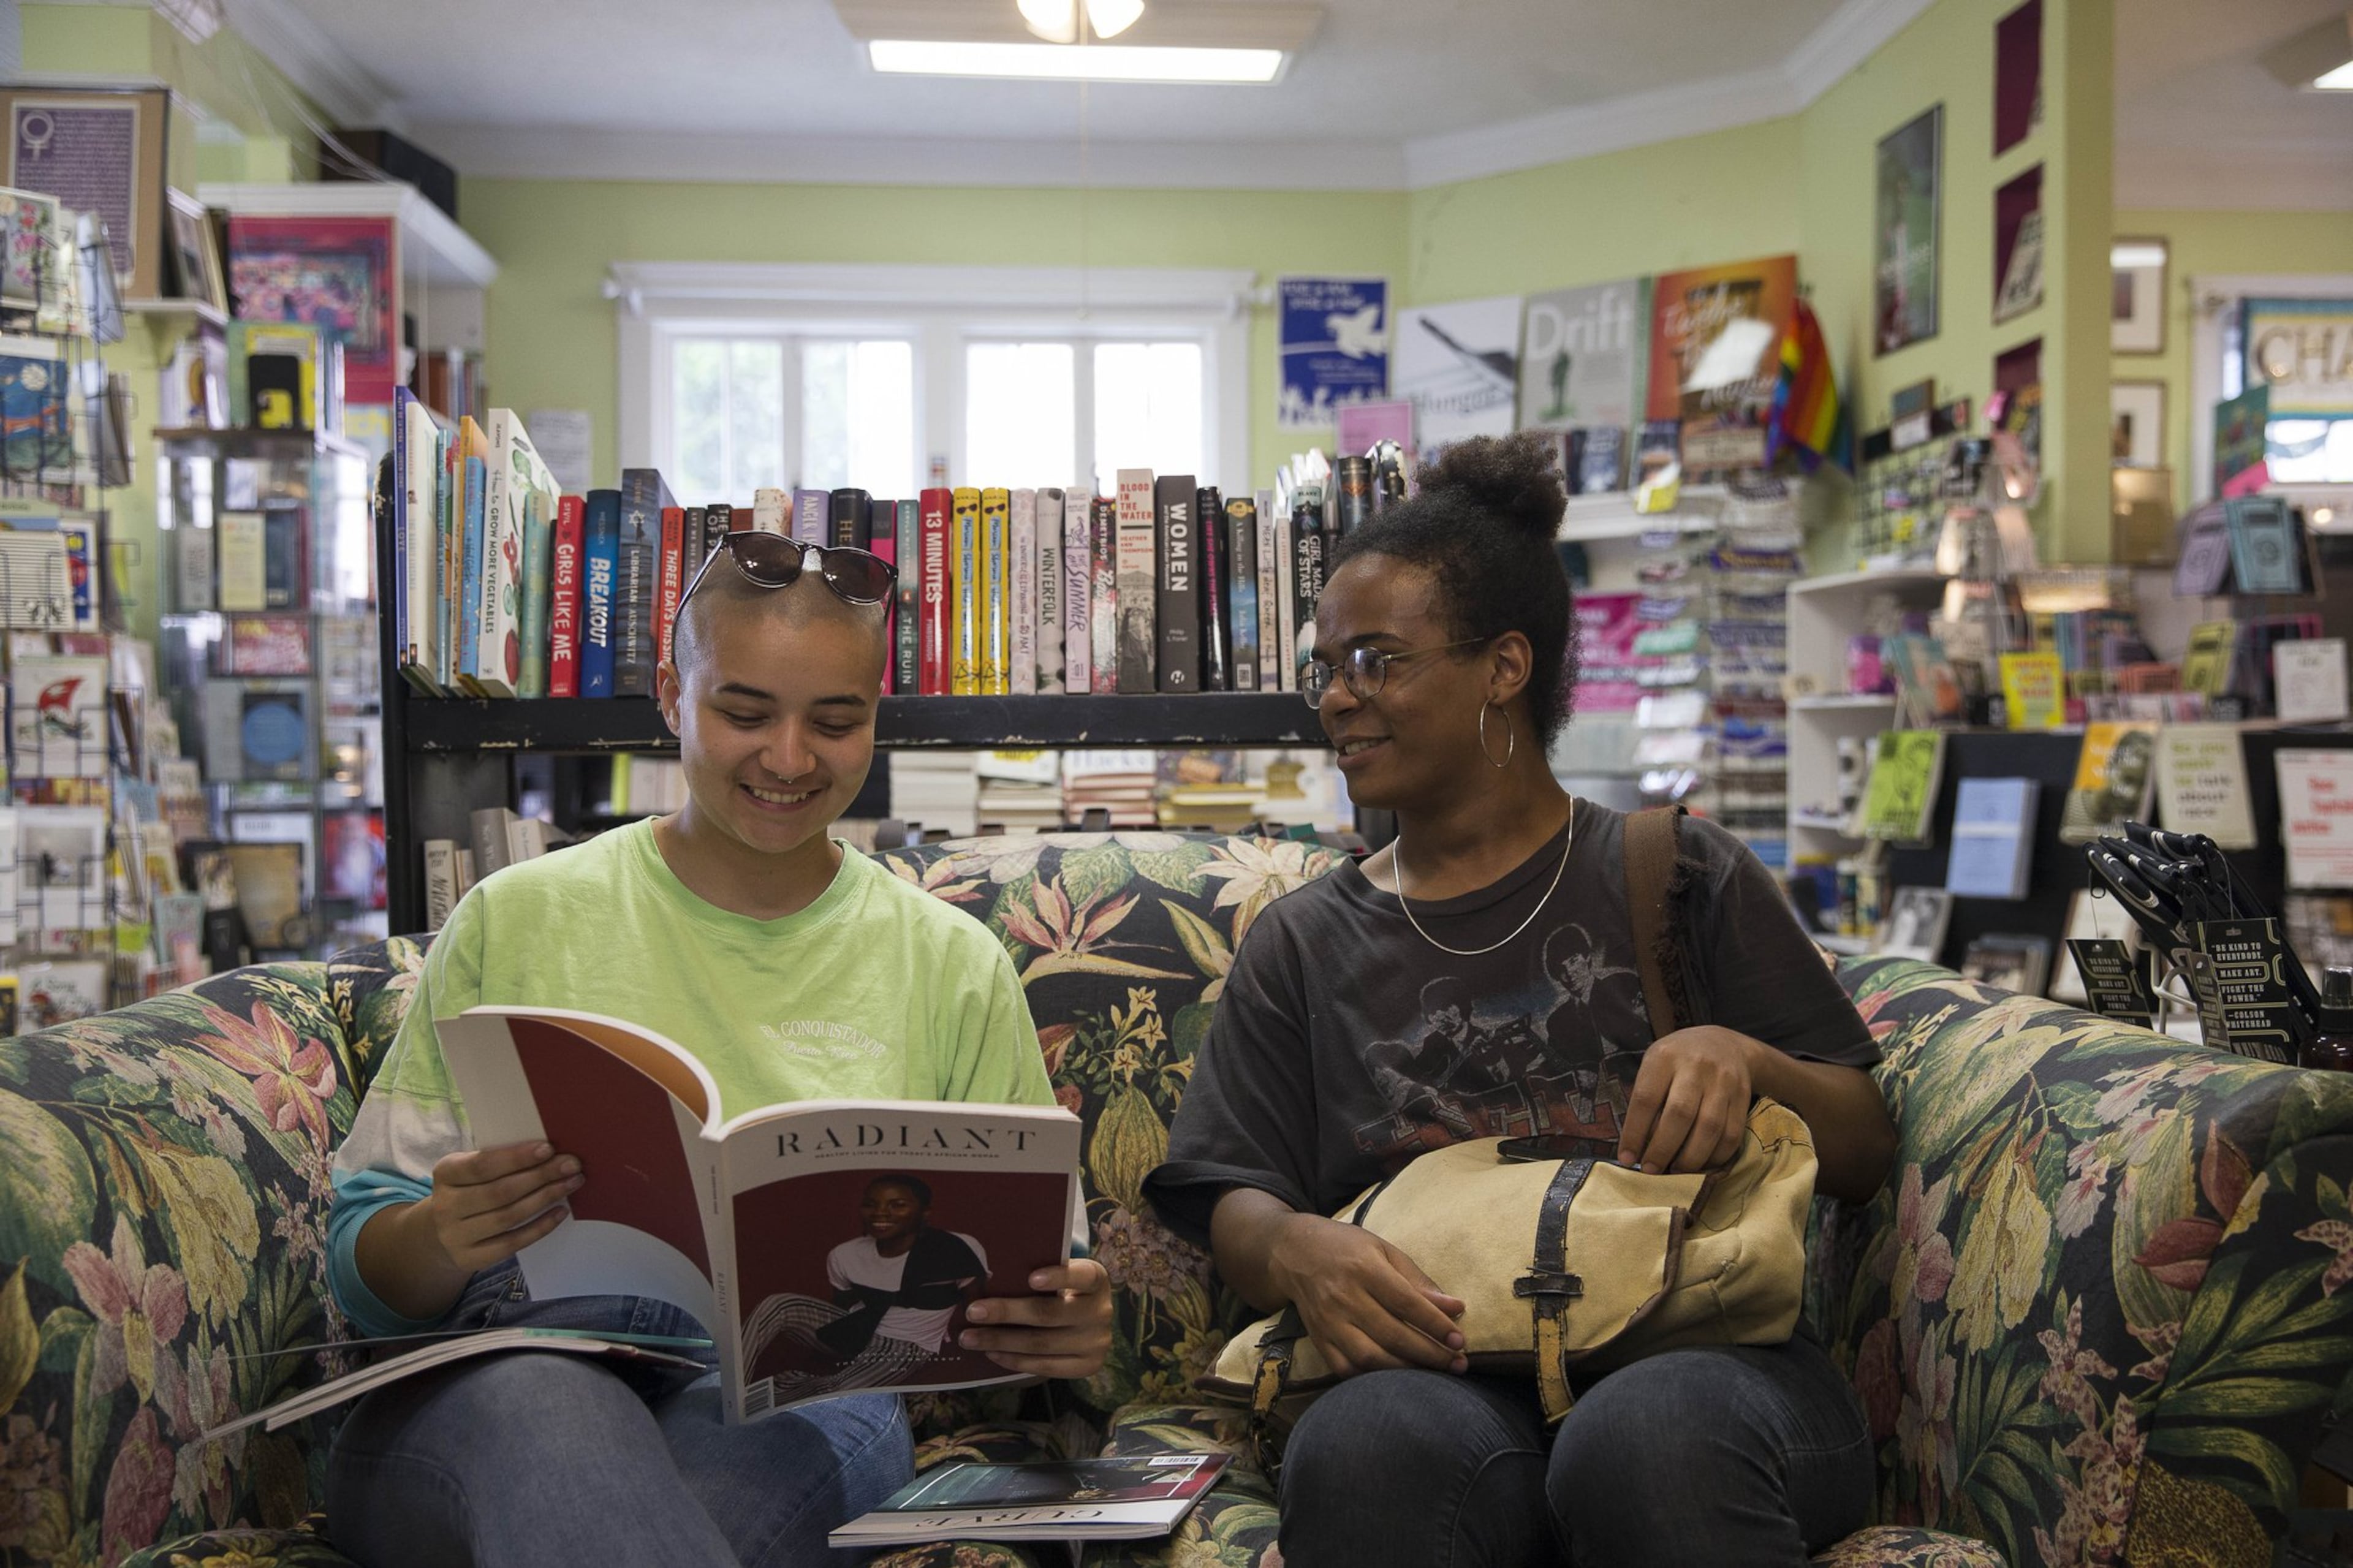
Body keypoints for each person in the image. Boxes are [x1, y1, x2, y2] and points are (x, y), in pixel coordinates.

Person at [1145, 431, 1898, 1568]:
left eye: (1379, 661)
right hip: (1443, 1365)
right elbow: (1229, 1189)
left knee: (1644, 1438)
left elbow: (1863, 1146)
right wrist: (1296, 1248)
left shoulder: (1675, 871)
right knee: (1367, 1444)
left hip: (1706, 1361)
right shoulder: (1304, 940)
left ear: (1505, 666)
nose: (1340, 699)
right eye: (1329, 668)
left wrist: (1747, 1060)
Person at [325, 529, 1113, 1568]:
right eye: (744, 713)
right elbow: (360, 1273)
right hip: (491, 1389)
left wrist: (1060, 1320)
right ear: (669, 693)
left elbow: (1029, 1277)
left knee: (678, 1472)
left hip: (803, 1400)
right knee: (550, 1404)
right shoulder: (518, 917)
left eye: (836, 722)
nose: (789, 759)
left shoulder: (950, 963)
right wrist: (443, 1227)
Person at [738, 1174, 992, 1399]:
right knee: (777, 1305)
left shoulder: (955, 1248)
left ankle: (791, 1388)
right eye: (871, 1204)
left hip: (906, 1345)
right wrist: (843, 1336)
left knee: (836, 1393)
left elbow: (975, 1302)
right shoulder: (845, 1254)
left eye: (897, 1205)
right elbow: (841, 1302)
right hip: (858, 1326)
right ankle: (730, 1388)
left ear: (924, 1213)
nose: (880, 1213)